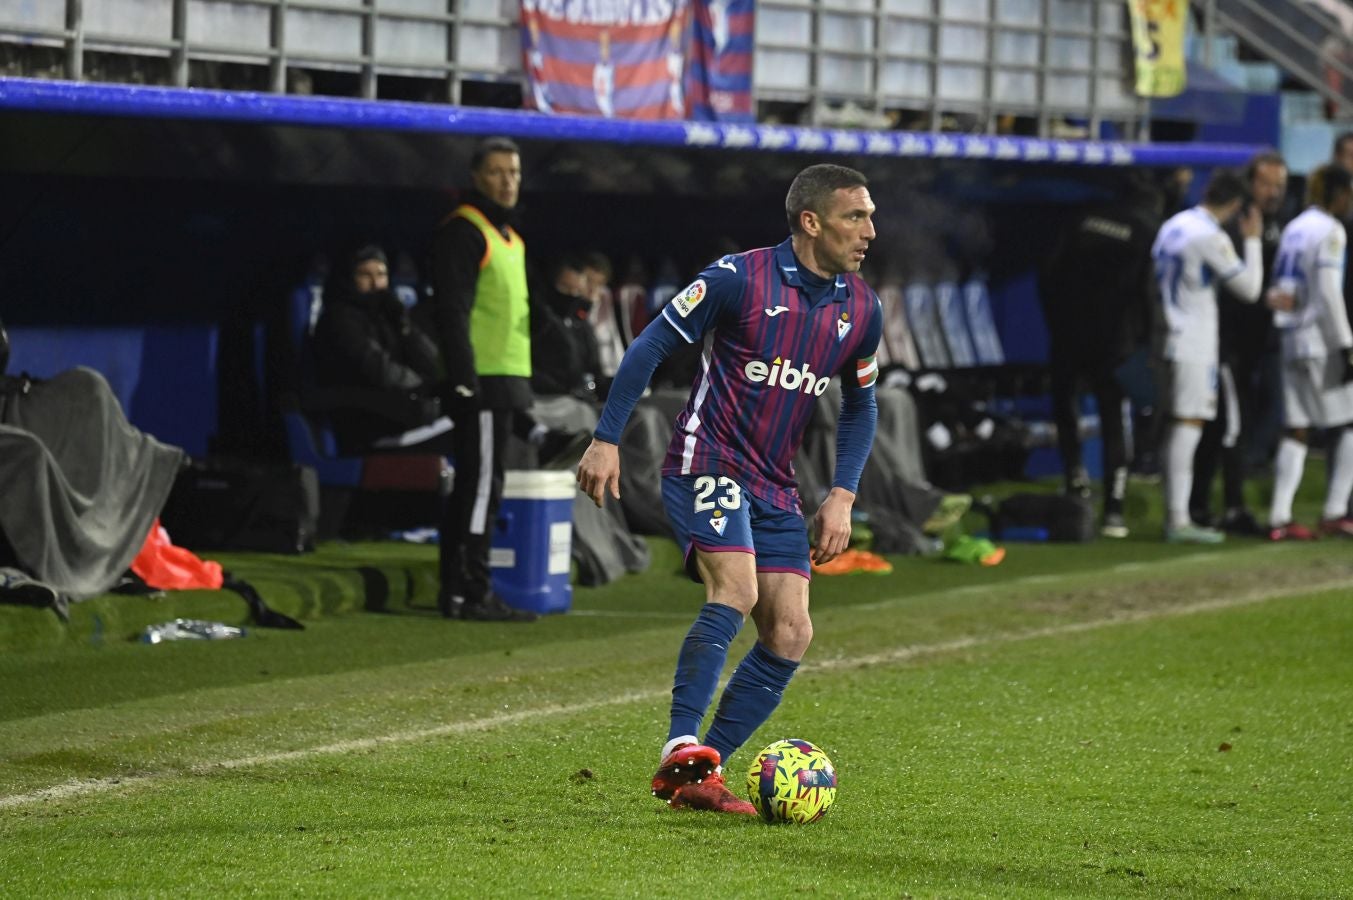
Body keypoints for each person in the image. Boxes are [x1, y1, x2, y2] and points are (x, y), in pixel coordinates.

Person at [576, 164, 883, 815]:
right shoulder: (737, 278)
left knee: (791, 631)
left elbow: (862, 402)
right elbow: (651, 344)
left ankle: (698, 774)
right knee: (736, 590)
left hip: (774, 484)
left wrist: (842, 494)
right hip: (705, 461)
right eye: (854, 217)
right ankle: (678, 744)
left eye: (869, 217)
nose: (868, 232)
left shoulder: (860, 307)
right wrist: (606, 437)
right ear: (810, 221)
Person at [421, 137, 538, 622]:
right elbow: (452, 311)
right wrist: (463, 378)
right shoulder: (464, 232)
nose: (507, 181)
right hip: (482, 382)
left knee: (485, 485)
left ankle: (462, 589)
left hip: (505, 379)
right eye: (496, 172)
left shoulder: (510, 237)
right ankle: (469, 590)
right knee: (479, 488)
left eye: (513, 171)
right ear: (476, 177)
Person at [1038, 172, 1163, 538]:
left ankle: (1075, 485)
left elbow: (1048, 273)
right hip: (1114, 339)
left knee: (1066, 408)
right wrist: (1144, 338)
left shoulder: (1081, 220)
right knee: (1113, 416)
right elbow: (1148, 291)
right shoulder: (1147, 231)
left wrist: (1056, 321)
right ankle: (1114, 510)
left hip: (1068, 331)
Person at [1151, 169, 1266, 543]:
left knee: (1176, 425)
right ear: (1235, 206)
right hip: (1194, 342)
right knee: (1188, 425)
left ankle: (1177, 514)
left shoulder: (1173, 225)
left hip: (1167, 334)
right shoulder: (1209, 236)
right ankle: (1178, 520)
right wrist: (1252, 241)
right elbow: (1249, 289)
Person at [1190, 152, 1289, 535]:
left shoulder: (1280, 223)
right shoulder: (1231, 226)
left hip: (1258, 343)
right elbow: (1236, 288)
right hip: (1224, 340)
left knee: (1232, 426)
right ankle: (1225, 505)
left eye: (1279, 185)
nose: (1273, 192)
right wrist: (1263, 294)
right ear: (1249, 184)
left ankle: (1208, 503)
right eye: (1266, 183)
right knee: (1225, 426)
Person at [1265, 164, 1353, 540]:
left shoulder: (1294, 227)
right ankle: (1335, 510)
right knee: (1349, 423)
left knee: (1296, 427)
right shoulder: (1331, 230)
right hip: (1320, 340)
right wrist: (1346, 345)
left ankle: (1279, 517)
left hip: (1290, 337)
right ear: (1337, 194)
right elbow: (1329, 292)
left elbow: (1276, 291)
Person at [312, 245, 447, 452]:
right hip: (362, 425)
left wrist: (405, 327)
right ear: (348, 278)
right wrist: (423, 390)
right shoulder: (339, 319)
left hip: (395, 414)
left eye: (381, 275)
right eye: (365, 275)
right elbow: (377, 369)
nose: (376, 284)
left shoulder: (389, 315)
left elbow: (432, 364)